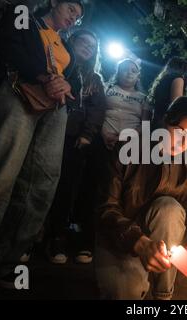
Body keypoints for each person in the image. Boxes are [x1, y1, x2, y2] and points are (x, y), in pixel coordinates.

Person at [0, 0, 85, 292]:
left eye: (79, 16)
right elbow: (7, 44)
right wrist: (45, 76)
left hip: (55, 111)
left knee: (41, 186)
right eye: (72, 9)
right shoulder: (24, 14)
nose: (74, 17)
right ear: (54, 3)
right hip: (20, 95)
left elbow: (72, 77)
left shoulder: (67, 46)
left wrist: (66, 84)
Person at [95, 96, 187, 300]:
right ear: (166, 121)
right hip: (119, 240)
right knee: (124, 294)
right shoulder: (128, 148)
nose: (184, 143)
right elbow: (106, 207)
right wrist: (139, 242)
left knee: (169, 208)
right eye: (180, 132)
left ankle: (163, 294)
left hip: (162, 244)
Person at [46, 29, 106, 265]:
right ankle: (33, 236)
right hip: (47, 130)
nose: (88, 47)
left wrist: (87, 135)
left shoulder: (95, 79)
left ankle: (58, 236)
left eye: (93, 45)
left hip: (73, 140)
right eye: (84, 41)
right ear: (72, 41)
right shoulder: (57, 66)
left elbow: (97, 110)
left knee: (66, 188)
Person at [101, 58, 150, 150]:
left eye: (133, 71)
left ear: (138, 77)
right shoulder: (107, 89)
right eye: (124, 70)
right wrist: (103, 133)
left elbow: (145, 123)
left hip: (130, 144)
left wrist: (127, 138)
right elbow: (98, 111)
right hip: (103, 139)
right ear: (118, 73)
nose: (129, 73)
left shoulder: (144, 98)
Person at [149, 57, 187, 129]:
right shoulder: (178, 79)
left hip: (156, 120)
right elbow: (176, 104)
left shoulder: (162, 81)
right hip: (166, 123)